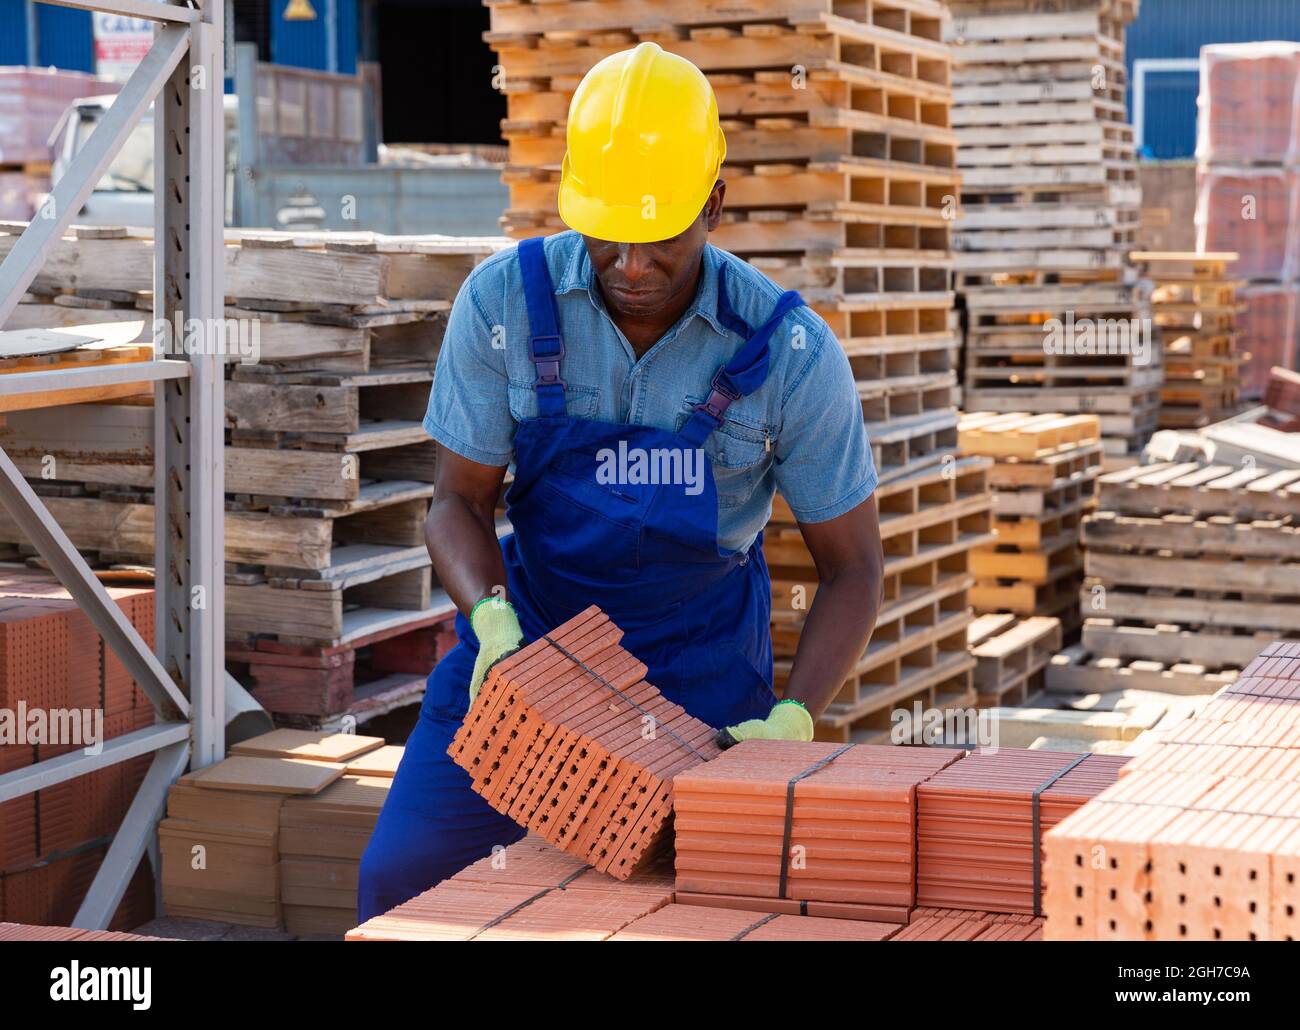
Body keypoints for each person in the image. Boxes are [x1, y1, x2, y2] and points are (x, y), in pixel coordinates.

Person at [358, 42, 884, 920]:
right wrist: (490, 621)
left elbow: (854, 568)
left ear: (714, 203)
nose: (631, 267)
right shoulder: (503, 306)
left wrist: (793, 719)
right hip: (522, 656)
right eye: (609, 235)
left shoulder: (788, 353)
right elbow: (457, 502)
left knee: (681, 915)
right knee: (404, 882)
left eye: (661, 238)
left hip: (701, 676)